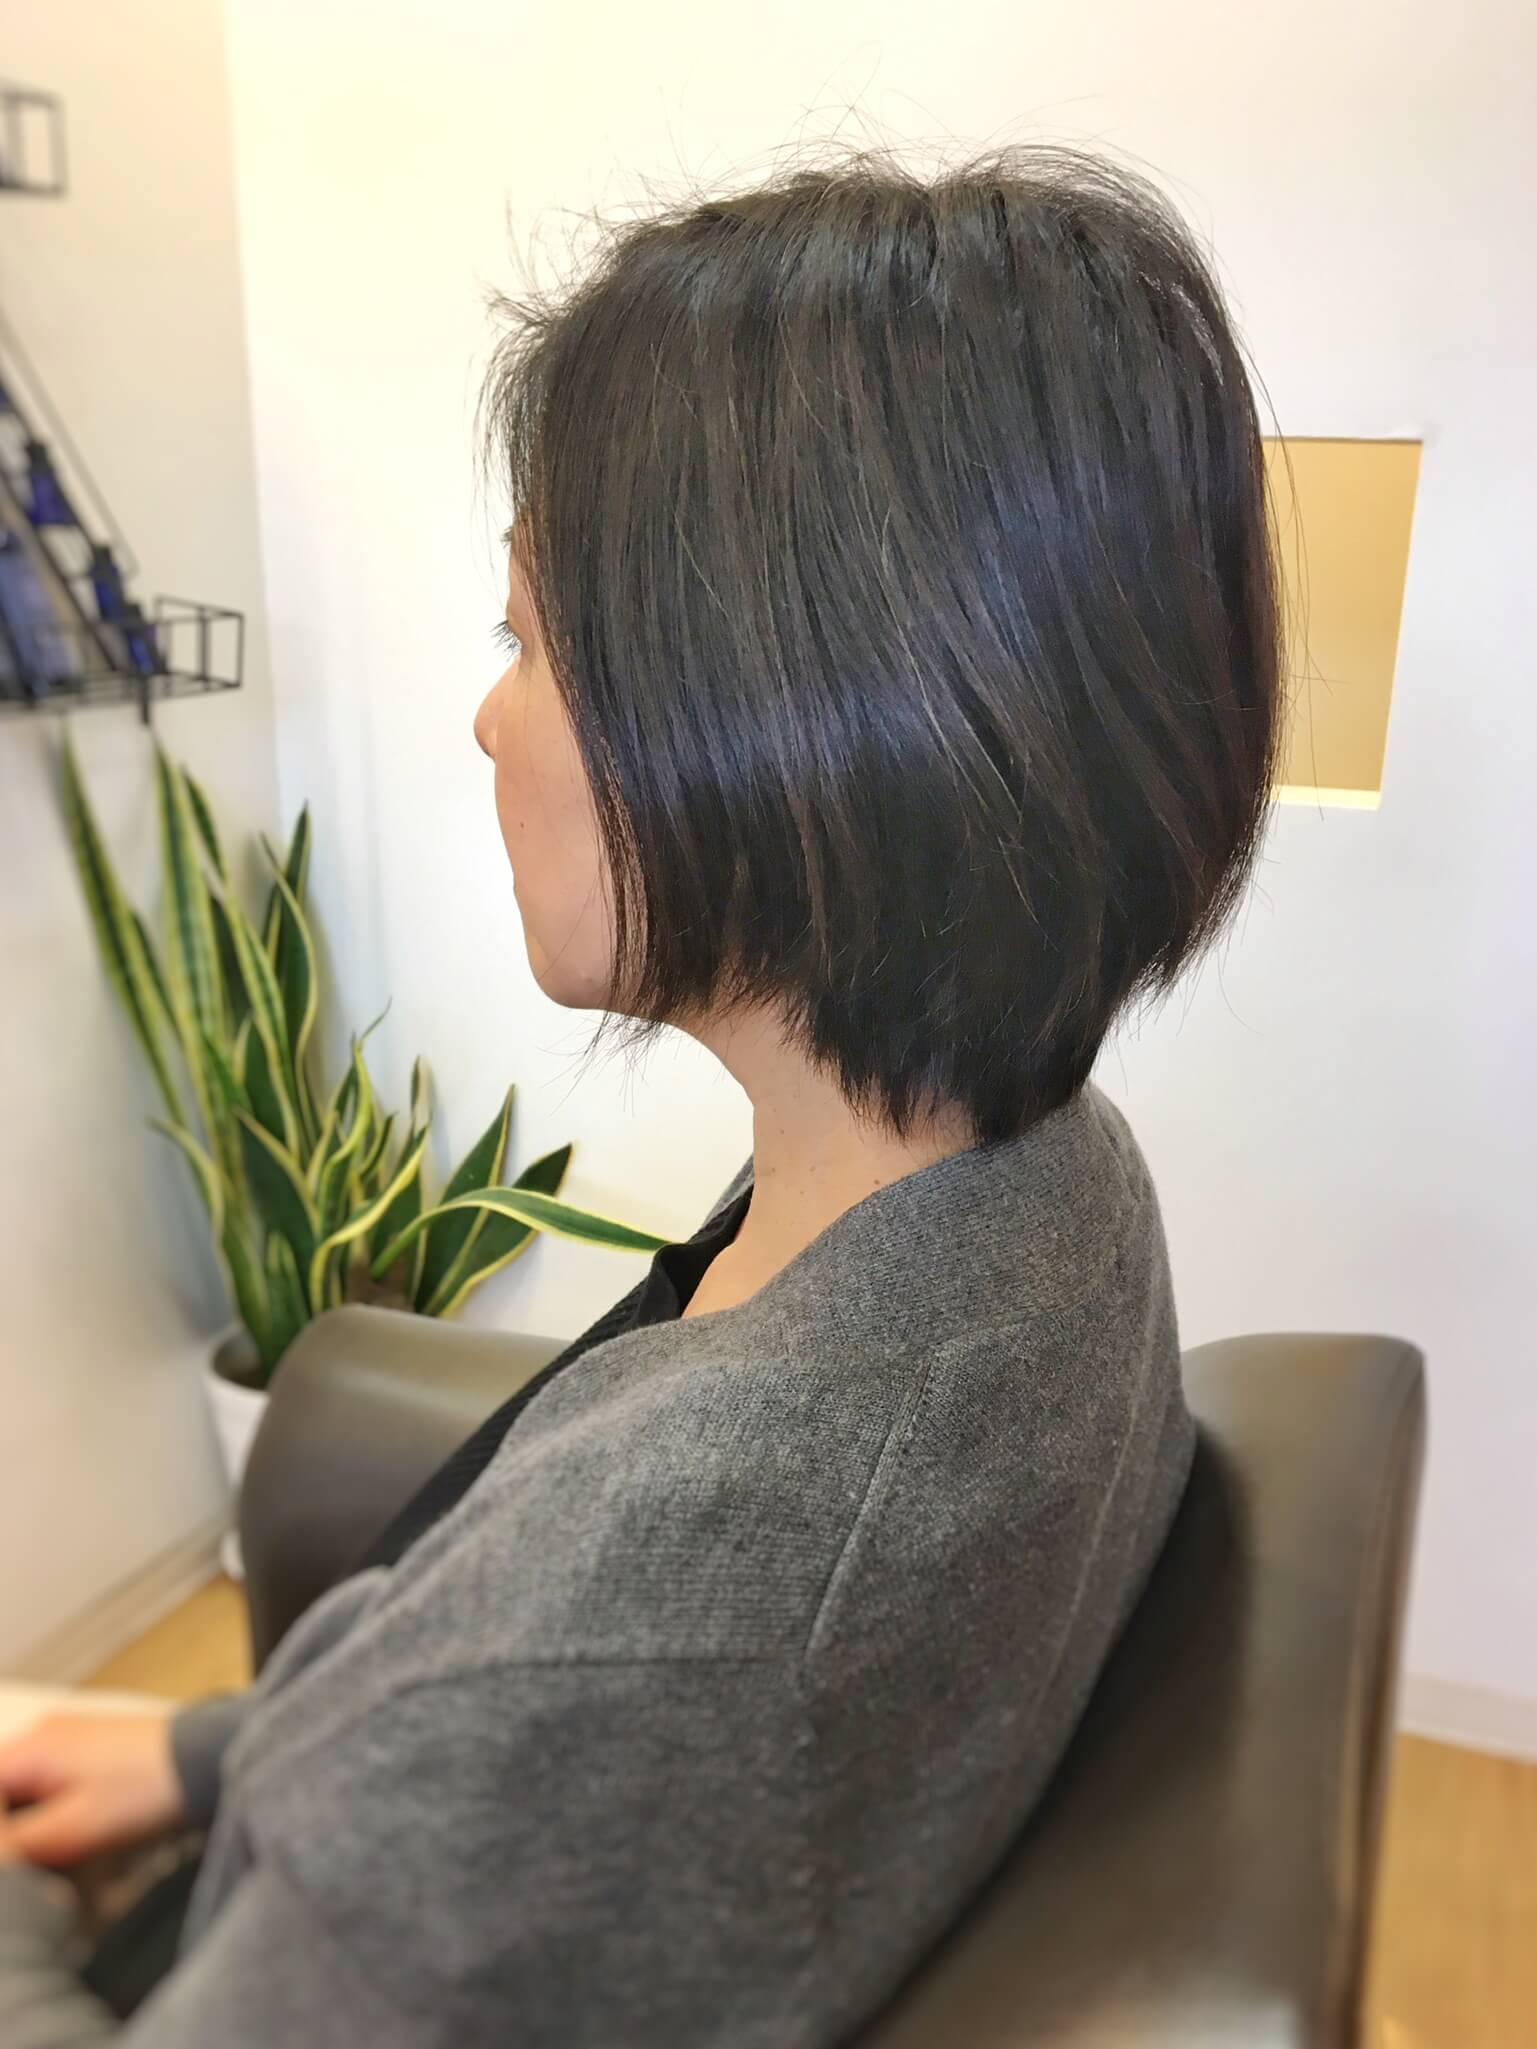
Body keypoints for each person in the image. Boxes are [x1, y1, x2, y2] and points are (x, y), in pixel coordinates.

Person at [0, 143, 1281, 2045]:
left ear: (781, 720)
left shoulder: (638, 1643)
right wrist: (219, 1748)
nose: (487, 715)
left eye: (526, 638)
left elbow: (526, 1722)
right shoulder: (1034, 1186)